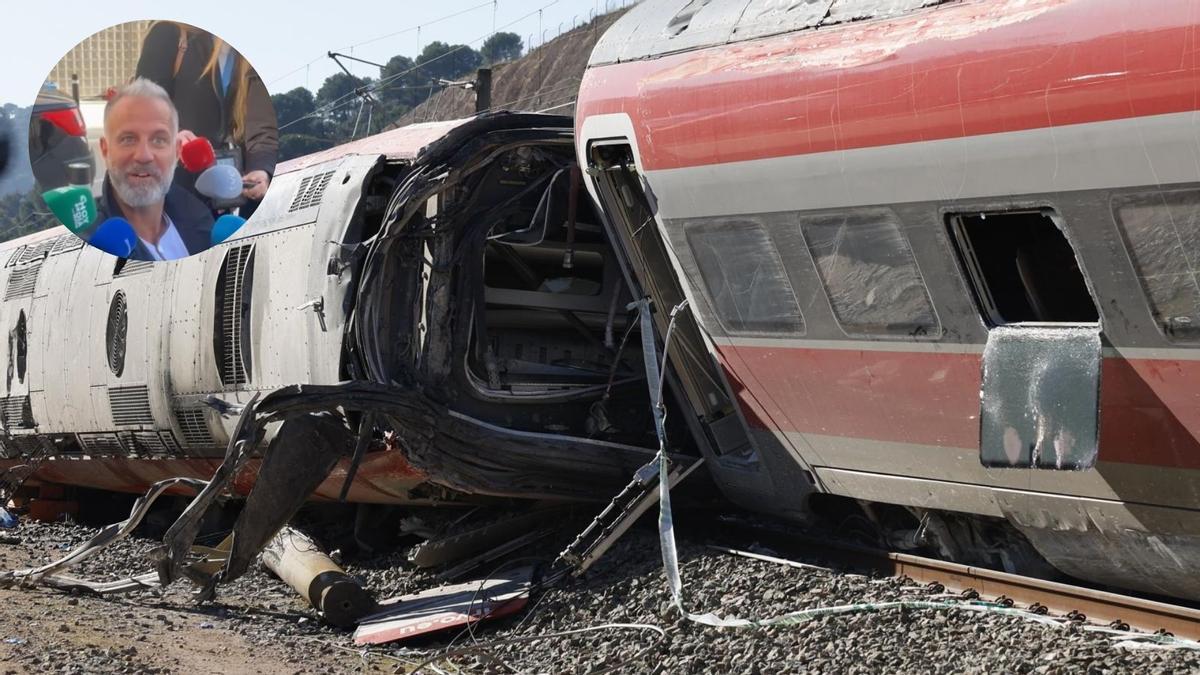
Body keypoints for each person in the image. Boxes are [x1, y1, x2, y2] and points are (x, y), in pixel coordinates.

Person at [135, 22, 277, 218]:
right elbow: (142, 109)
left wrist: (262, 169)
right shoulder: (171, 34)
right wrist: (172, 135)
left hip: (234, 201)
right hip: (176, 195)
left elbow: (263, 127)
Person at [95, 78, 213, 260]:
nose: (144, 156)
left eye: (158, 140)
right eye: (128, 139)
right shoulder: (91, 247)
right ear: (105, 149)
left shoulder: (203, 224)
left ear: (176, 151)